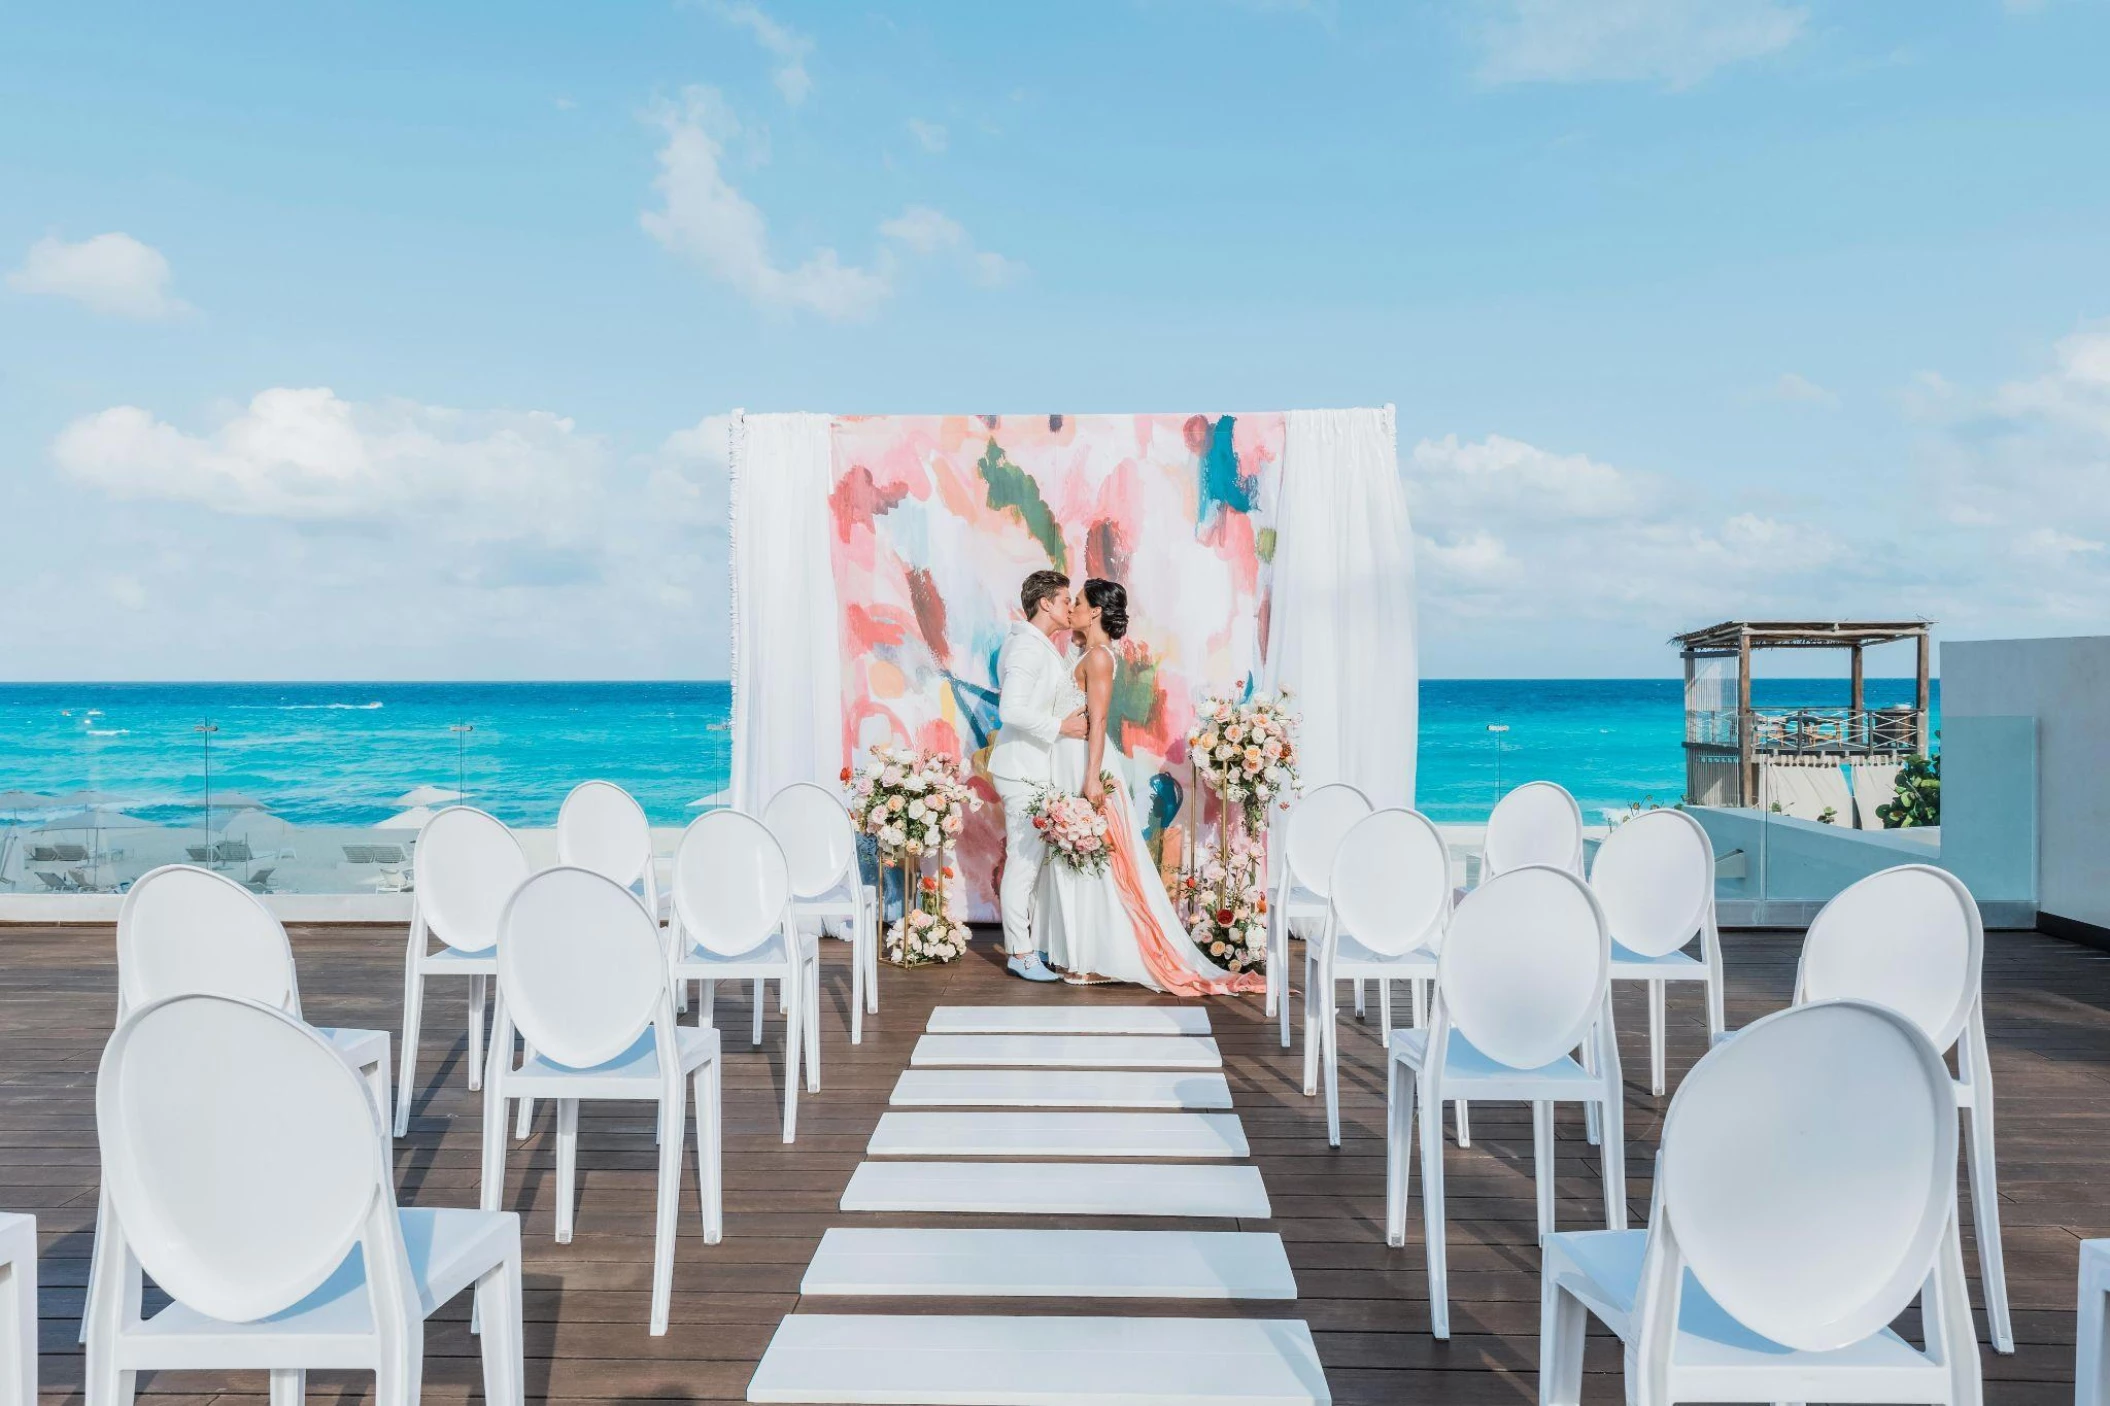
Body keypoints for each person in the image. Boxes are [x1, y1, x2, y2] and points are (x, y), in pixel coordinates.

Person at [1036, 579, 1266, 995]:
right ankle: (1079, 950)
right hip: (1066, 759)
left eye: (1080, 603)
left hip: (1085, 763)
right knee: (1078, 854)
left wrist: (1091, 777)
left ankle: (1098, 957)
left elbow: (1100, 720)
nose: (1073, 609)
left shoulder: (1100, 659)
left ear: (1096, 613)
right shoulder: (1085, 653)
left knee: (1096, 858)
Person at [986, 568, 1088, 982]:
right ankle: (1020, 952)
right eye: (1066, 600)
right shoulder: (1027, 648)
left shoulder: (1035, 645)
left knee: (1033, 861)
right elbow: (1010, 711)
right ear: (1046, 603)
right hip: (1021, 770)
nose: (1071, 607)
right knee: (1024, 863)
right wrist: (1060, 728)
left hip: (1031, 768)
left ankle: (1032, 945)